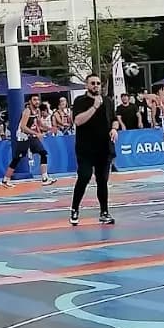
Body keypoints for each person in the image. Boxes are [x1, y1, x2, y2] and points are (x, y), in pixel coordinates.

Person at [70, 73, 117, 226]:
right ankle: (75, 208)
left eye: (98, 83)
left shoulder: (108, 101)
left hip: (104, 147)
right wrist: (94, 107)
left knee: (102, 180)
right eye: (93, 83)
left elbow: (114, 119)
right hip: (85, 148)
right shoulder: (80, 101)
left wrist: (114, 129)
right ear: (87, 85)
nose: (96, 86)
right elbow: (78, 121)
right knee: (84, 177)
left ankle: (104, 212)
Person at [2, 93, 57, 188]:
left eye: (38, 100)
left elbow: (39, 124)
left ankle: (45, 178)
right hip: (23, 136)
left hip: (31, 136)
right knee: (17, 159)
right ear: (30, 101)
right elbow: (23, 127)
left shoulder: (37, 111)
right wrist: (36, 133)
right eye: (34, 100)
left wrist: (50, 128)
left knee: (43, 153)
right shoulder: (27, 111)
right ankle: (5, 179)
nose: (37, 102)